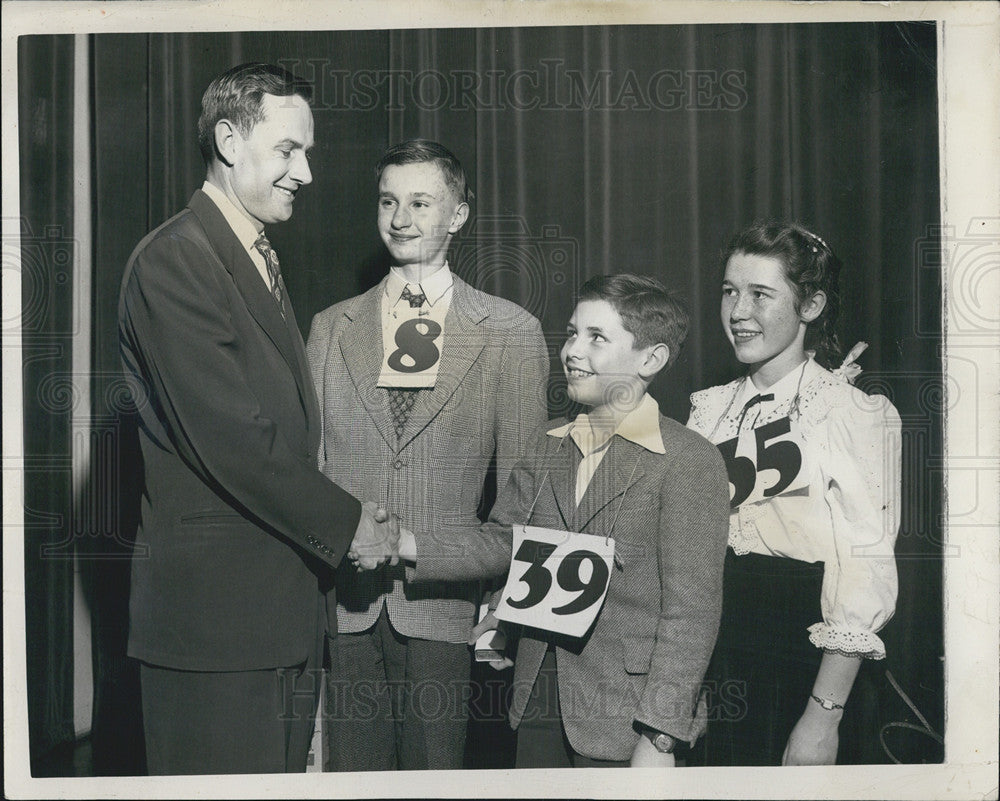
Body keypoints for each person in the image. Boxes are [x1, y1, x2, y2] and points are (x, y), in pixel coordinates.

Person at [117, 62, 398, 775]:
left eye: (307, 152)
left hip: (272, 627)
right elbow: (236, 441)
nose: (305, 172)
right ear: (228, 139)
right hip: (216, 636)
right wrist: (351, 523)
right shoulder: (176, 261)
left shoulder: (247, 255)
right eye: (287, 150)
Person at [395, 274, 731, 767]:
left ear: (651, 359)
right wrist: (406, 544)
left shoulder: (689, 460)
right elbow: (501, 542)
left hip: (628, 716)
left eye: (597, 338)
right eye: (573, 333)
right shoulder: (547, 441)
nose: (573, 350)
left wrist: (660, 736)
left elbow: (692, 617)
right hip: (538, 697)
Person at [306, 139, 549, 770]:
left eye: (420, 202)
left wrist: (431, 555)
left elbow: (522, 508)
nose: (400, 219)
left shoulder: (509, 332)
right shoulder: (332, 327)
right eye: (388, 201)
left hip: (443, 612)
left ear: (460, 214)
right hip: (347, 609)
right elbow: (307, 472)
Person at [686, 221, 902, 765]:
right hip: (716, 661)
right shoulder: (707, 410)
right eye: (730, 292)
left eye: (761, 294)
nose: (738, 312)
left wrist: (822, 717)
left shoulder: (848, 410)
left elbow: (864, 562)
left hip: (802, 662)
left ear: (810, 306)